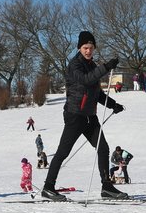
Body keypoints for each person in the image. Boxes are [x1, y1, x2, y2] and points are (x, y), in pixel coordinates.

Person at [41, 31, 126, 200]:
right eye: (85, 48)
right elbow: (86, 80)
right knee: (62, 152)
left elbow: (97, 93)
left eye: (91, 48)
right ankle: (48, 187)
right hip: (75, 116)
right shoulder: (75, 65)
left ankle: (106, 187)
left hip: (89, 116)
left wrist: (113, 105)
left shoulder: (92, 66)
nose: (88, 51)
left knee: (103, 148)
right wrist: (106, 67)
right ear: (79, 48)